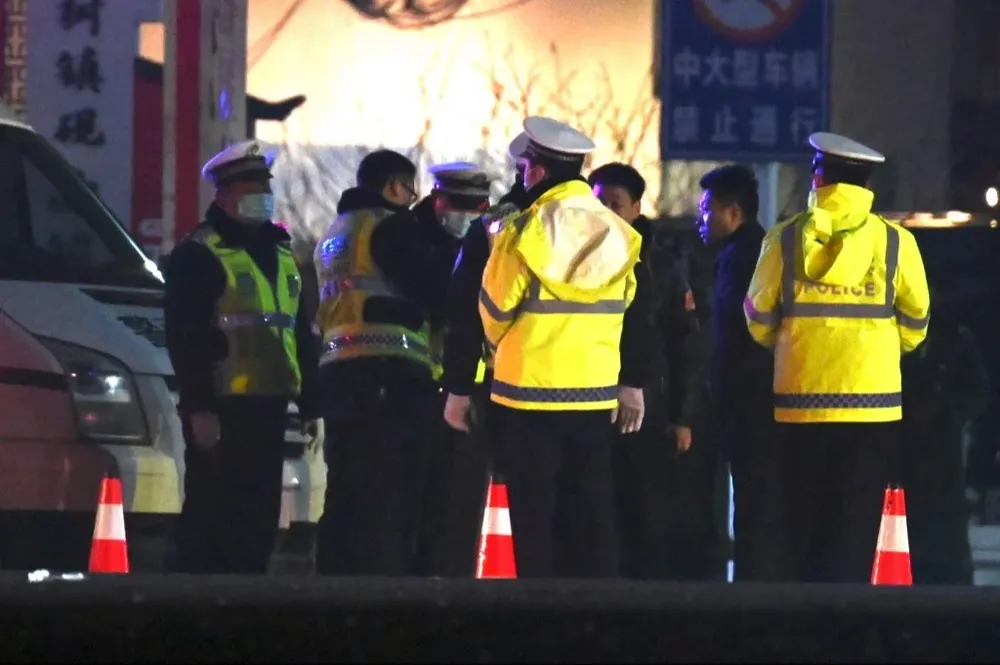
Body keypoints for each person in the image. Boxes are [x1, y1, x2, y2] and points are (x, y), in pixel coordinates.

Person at [744, 132, 931, 583]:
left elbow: (757, 315)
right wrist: (884, 350)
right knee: (853, 529)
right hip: (874, 406)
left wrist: (790, 346)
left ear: (818, 176)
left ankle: (802, 629)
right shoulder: (895, 242)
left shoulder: (784, 238)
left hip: (800, 402)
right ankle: (847, 627)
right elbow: (917, 318)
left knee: (801, 527)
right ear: (866, 185)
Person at [479, 116, 652, 578]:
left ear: (535, 172)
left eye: (524, 169)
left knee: (534, 522)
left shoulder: (522, 232)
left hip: (526, 396)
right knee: (591, 517)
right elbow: (628, 308)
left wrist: (506, 347)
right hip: (594, 397)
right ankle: (595, 616)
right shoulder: (620, 235)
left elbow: (494, 312)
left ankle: (538, 619)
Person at [163, 139, 322, 574]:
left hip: (270, 405)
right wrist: (199, 408)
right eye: (251, 186)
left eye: (264, 185)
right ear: (224, 194)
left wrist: (310, 402)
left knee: (258, 514)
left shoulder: (282, 252)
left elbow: (298, 330)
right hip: (221, 406)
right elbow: (185, 337)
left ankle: (248, 602)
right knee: (213, 514)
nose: (261, 195)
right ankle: (198, 605)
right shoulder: (200, 253)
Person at [313, 149, 453, 576]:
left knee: (346, 488)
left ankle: (334, 585)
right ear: (394, 187)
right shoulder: (391, 227)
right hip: (390, 376)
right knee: (389, 491)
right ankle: (382, 591)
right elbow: (436, 287)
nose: (412, 200)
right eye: (410, 190)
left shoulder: (336, 232)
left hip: (341, 373)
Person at [588, 162, 709, 580]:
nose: (603, 210)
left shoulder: (660, 267)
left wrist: (681, 417)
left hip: (646, 412)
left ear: (636, 208)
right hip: (587, 408)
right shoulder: (576, 260)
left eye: (614, 203)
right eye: (597, 201)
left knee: (643, 515)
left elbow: (685, 346)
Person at [411, 162, 498, 577]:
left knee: (460, 504)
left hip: (469, 392)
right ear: (437, 200)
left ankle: (457, 586)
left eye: (478, 208)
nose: (469, 216)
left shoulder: (489, 244)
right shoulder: (408, 242)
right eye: (460, 206)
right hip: (413, 392)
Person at [696, 164, 782, 582]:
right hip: (758, 403)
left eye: (707, 210)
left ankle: (754, 595)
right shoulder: (754, 250)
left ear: (733, 212)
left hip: (750, 406)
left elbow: (737, 334)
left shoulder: (743, 257)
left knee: (755, 507)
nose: (701, 219)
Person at [901, 292, 988, 585]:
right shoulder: (896, 340)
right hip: (903, 448)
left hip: (943, 448)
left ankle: (952, 579)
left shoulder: (956, 342)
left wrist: (947, 413)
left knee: (947, 520)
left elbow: (977, 392)